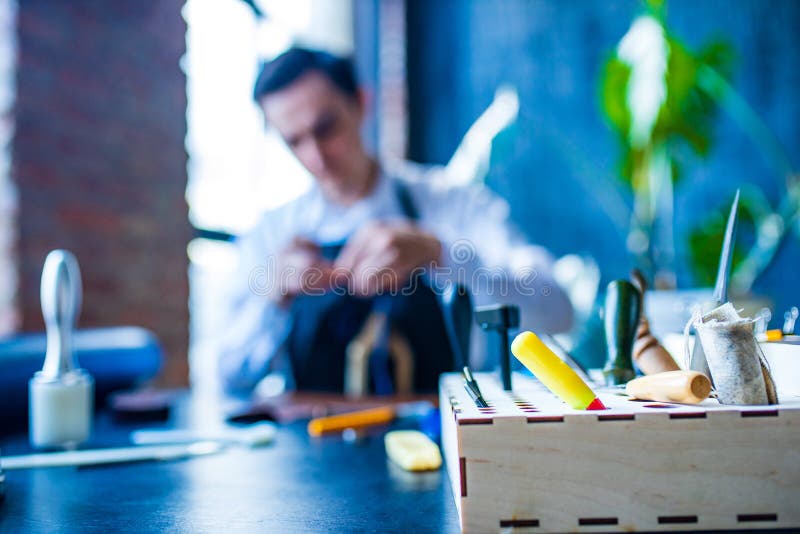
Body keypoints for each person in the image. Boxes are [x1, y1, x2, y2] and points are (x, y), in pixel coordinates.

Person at [217, 47, 573, 395]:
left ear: (360, 103)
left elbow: (558, 309)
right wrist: (273, 299)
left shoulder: (451, 202)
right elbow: (231, 376)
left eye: (326, 128)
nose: (317, 156)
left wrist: (441, 254)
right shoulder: (273, 235)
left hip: (442, 437)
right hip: (316, 444)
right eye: (294, 141)